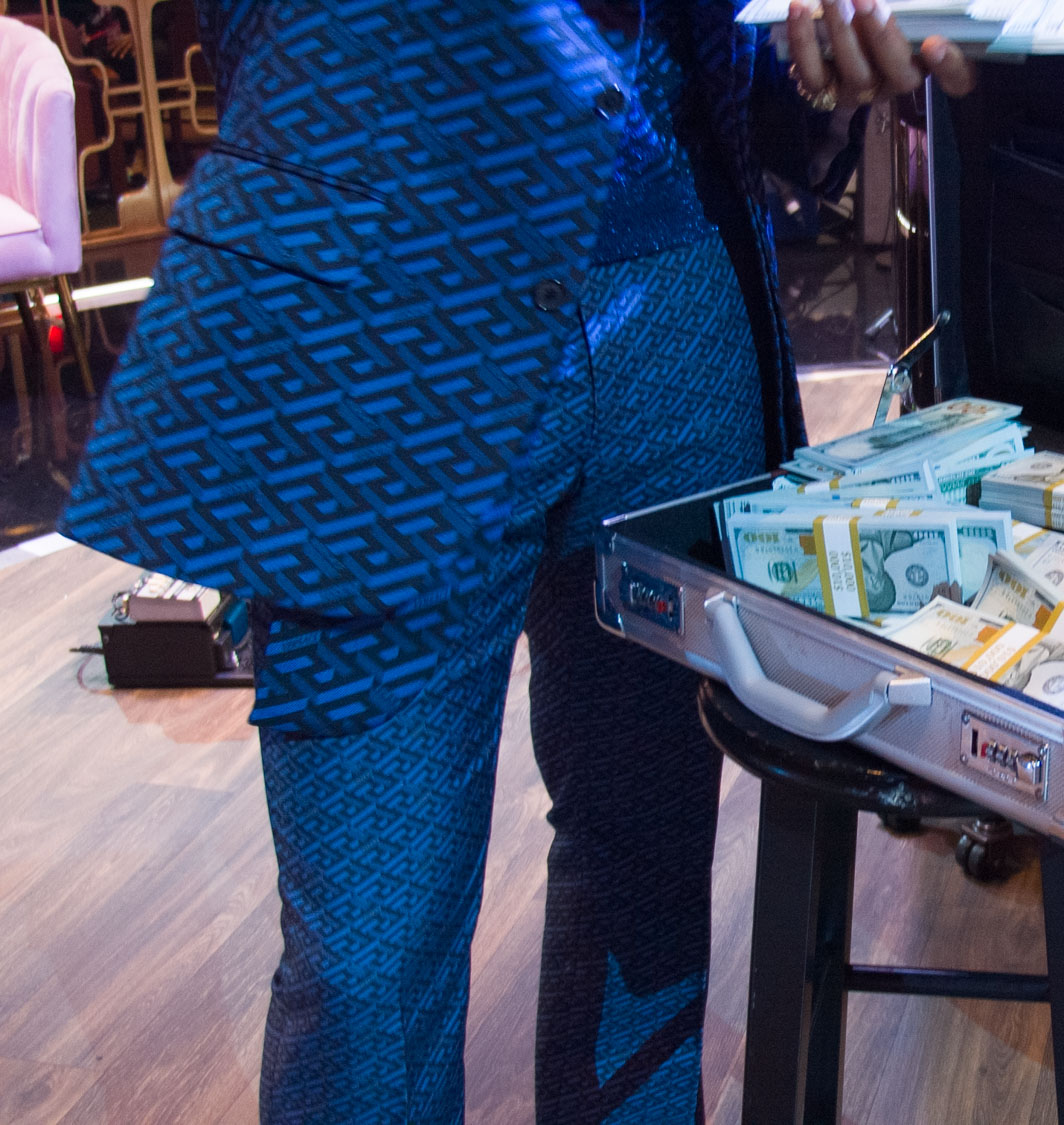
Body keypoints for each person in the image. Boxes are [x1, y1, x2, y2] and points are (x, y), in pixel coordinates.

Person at [59, 1, 972, 1121]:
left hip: (673, 284)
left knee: (645, 875)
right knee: (366, 970)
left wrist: (819, 49)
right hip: (380, 313)